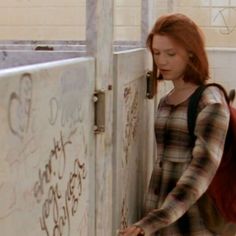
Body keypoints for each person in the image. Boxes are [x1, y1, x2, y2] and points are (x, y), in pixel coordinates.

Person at [118, 13, 230, 236]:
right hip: (161, 223)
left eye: (171, 53)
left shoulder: (211, 103)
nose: (162, 61)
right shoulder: (165, 101)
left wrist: (150, 222)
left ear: (191, 53)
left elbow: (199, 174)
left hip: (195, 225)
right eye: (157, 53)